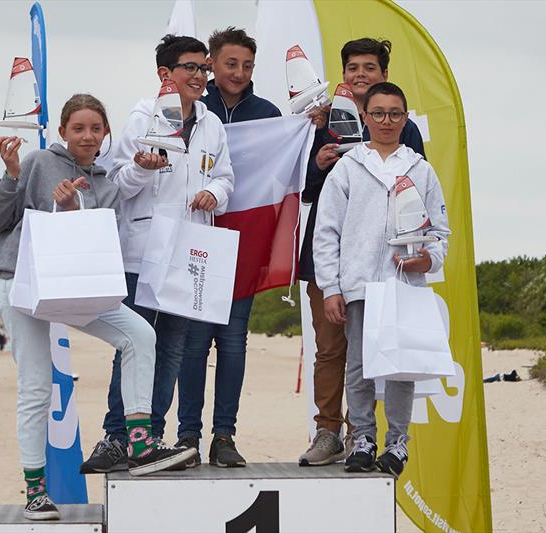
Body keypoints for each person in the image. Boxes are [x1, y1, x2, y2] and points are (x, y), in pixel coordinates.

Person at [0, 94, 195, 520]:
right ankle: (35, 491)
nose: (87, 136)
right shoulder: (39, 162)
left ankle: (139, 442)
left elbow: (100, 246)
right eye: (78, 128)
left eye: (95, 129)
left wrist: (71, 210)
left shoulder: (108, 186)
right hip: (21, 283)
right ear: (62, 132)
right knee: (38, 384)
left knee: (140, 334)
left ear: (106, 135)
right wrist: (11, 177)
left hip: (74, 287)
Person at [80, 35, 234, 474]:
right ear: (165, 74)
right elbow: (115, 183)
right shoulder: (141, 118)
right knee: (132, 343)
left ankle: (150, 438)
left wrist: (213, 192)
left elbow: (226, 178)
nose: (200, 77)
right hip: (142, 251)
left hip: (191, 250)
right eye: (191, 67)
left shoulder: (211, 123)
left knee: (172, 349)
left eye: (204, 69)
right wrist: (140, 170)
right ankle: (115, 436)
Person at [299, 38, 427, 467]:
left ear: (383, 75)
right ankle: (327, 432)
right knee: (333, 349)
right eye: (352, 67)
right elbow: (306, 195)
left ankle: (365, 437)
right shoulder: (322, 122)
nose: (359, 75)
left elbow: (414, 203)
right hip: (333, 257)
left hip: (390, 268)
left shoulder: (401, 129)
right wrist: (318, 165)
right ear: (343, 74)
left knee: (385, 353)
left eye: (369, 68)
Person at [313, 82, 449, 478]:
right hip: (359, 285)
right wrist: (332, 288)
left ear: (405, 119)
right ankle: (363, 439)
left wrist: (429, 260)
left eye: (394, 114)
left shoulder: (421, 169)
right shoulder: (348, 167)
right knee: (358, 366)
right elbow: (327, 232)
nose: (386, 121)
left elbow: (439, 231)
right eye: (378, 113)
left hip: (403, 285)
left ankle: (397, 443)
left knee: (401, 366)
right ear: (364, 117)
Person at [173, 27, 281, 469]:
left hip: (245, 243)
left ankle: (224, 437)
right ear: (211, 64)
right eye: (230, 63)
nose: (238, 72)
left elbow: (287, 173)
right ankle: (186, 438)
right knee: (193, 344)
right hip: (196, 239)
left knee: (233, 343)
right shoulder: (191, 109)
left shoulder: (270, 114)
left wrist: (306, 132)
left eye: (247, 65)